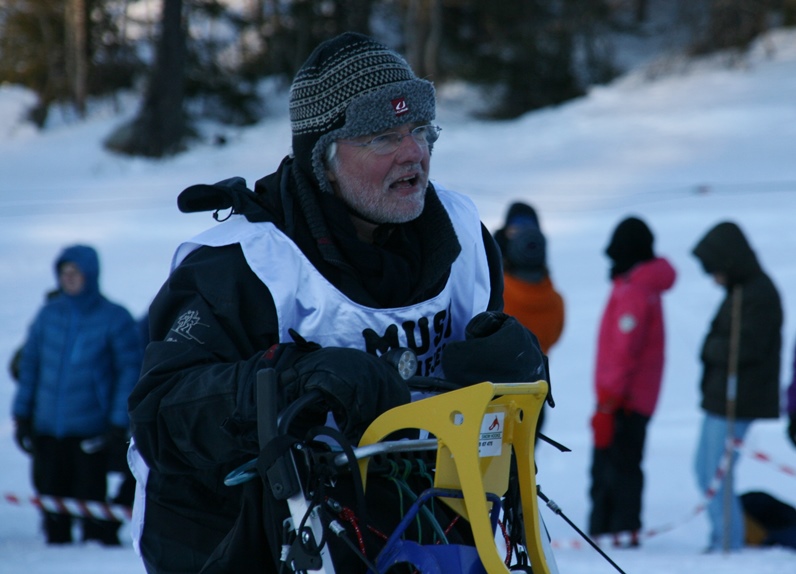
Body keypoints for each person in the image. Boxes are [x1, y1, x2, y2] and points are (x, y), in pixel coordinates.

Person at [127, 32, 547, 574]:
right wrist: (291, 381)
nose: (414, 153)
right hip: (249, 544)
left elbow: (493, 416)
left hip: (423, 536)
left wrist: (519, 367)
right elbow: (161, 415)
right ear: (323, 159)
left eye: (421, 130)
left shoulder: (463, 235)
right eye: (383, 137)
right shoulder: (243, 264)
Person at [11, 244, 143, 545]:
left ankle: (92, 555)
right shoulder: (48, 315)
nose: (69, 278)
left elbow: (128, 373)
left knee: (91, 511)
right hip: (47, 429)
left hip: (91, 431)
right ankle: (56, 547)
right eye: (64, 272)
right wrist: (21, 415)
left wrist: (118, 422)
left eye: (75, 272)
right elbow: (30, 366)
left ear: (90, 275)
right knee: (51, 506)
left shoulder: (115, 318)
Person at [692, 221, 782, 552]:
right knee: (704, 469)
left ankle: (728, 540)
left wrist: (710, 347)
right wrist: (713, 345)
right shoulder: (738, 291)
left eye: (715, 270)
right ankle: (724, 535)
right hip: (718, 398)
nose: (713, 279)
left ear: (729, 262)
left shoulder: (759, 294)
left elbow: (743, 349)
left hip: (739, 399)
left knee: (716, 473)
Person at [588, 216, 676, 548]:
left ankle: (617, 530)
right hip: (630, 394)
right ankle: (614, 528)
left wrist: (609, 397)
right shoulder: (637, 285)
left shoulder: (635, 290)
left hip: (623, 398)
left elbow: (624, 350)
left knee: (616, 463)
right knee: (621, 460)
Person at [493, 201, 564, 437]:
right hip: (536, 392)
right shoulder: (554, 300)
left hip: (495, 397)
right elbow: (553, 336)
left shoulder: (497, 292)